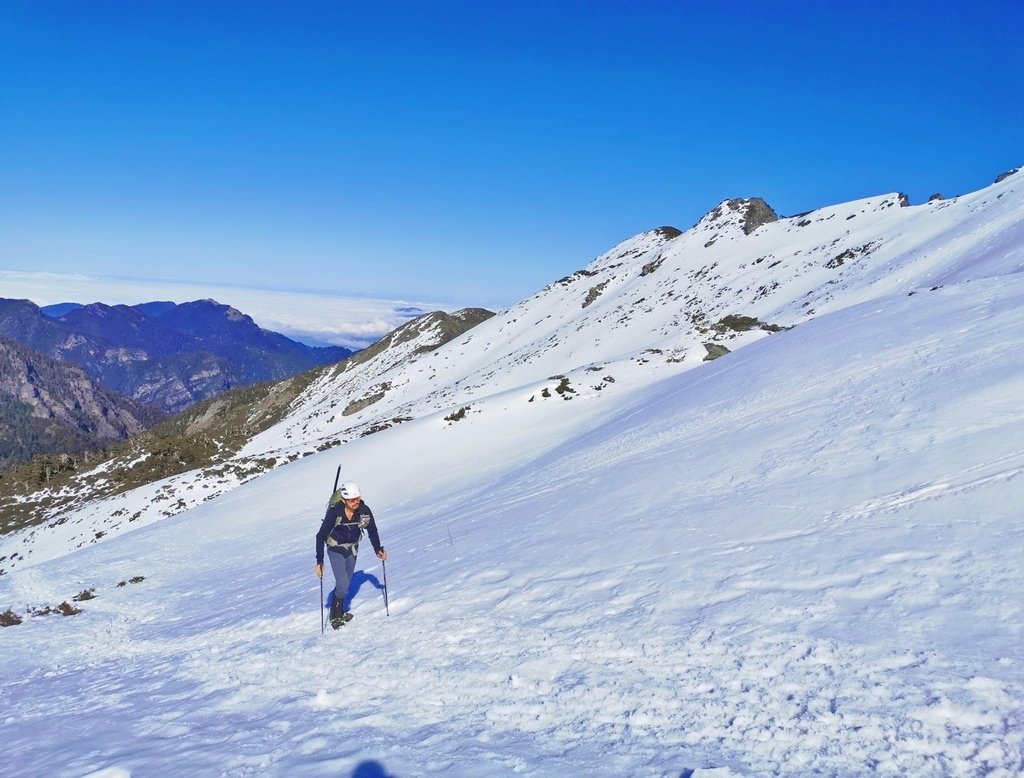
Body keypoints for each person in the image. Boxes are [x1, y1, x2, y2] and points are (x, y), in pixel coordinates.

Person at [315, 481, 387, 629]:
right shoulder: (335, 513)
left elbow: (372, 530)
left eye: (358, 498)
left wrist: (377, 549)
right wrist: (320, 561)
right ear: (343, 500)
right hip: (335, 549)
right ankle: (334, 616)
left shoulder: (364, 511)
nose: (356, 502)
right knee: (342, 583)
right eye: (352, 500)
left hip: (352, 549)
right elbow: (320, 536)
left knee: (346, 584)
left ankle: (340, 612)